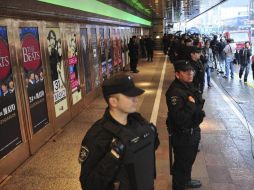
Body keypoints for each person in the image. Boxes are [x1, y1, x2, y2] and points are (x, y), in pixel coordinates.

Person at [79, 74, 160, 190]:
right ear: (113, 101)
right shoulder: (97, 136)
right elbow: (89, 185)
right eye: (130, 96)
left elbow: (150, 149)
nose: (136, 99)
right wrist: (113, 156)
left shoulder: (138, 121)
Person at [165, 60, 205, 190]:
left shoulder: (188, 85)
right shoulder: (174, 92)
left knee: (189, 160)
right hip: (183, 134)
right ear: (177, 74)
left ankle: (186, 180)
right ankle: (179, 186)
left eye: (191, 71)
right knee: (181, 164)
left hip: (193, 130)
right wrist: (191, 105)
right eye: (186, 72)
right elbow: (180, 118)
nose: (190, 74)